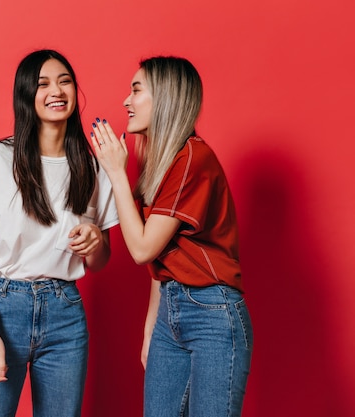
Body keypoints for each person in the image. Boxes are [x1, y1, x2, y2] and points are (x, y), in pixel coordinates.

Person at [0, 49, 119, 417]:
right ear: (27, 94)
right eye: (43, 83)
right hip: (2, 307)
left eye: (64, 81)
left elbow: (99, 260)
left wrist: (94, 241)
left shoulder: (92, 166)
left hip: (65, 313)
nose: (56, 91)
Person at [90, 56, 253, 417]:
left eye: (136, 90)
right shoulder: (162, 162)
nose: (125, 101)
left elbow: (143, 248)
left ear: (165, 97)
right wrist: (154, 325)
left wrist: (117, 172)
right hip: (171, 311)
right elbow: (164, 256)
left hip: (213, 314)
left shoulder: (193, 158)